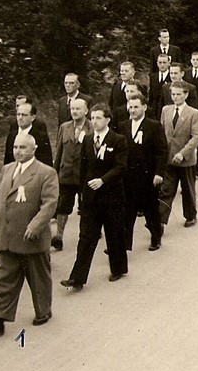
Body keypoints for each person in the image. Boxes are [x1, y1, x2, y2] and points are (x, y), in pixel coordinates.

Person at [0, 133, 59, 334]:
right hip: (8, 235)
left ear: (33, 149)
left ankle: (43, 311)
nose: (18, 151)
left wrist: (35, 226)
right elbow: (0, 201)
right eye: (15, 147)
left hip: (31, 237)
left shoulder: (45, 172)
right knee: (5, 279)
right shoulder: (7, 169)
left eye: (23, 147)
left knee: (38, 277)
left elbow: (49, 203)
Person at [61, 104, 130, 288]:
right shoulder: (88, 140)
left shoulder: (118, 140)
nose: (95, 121)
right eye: (92, 118)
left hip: (112, 196)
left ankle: (118, 269)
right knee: (86, 237)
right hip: (92, 197)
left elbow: (121, 167)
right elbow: (84, 169)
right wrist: (82, 194)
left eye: (98, 118)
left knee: (114, 234)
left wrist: (103, 180)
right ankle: (77, 277)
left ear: (107, 119)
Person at [122, 93, 168, 251]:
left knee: (150, 209)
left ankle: (156, 237)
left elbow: (162, 151)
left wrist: (159, 173)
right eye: (130, 107)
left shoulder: (154, 126)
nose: (133, 110)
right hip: (129, 176)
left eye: (136, 107)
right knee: (128, 210)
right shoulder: (123, 126)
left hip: (148, 175)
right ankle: (124, 244)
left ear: (144, 107)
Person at [158, 82, 198, 227]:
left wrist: (183, 153)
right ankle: (160, 221)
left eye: (178, 94)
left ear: (186, 95)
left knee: (187, 189)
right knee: (166, 189)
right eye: (173, 94)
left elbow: (195, 137)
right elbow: (161, 132)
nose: (175, 97)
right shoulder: (166, 110)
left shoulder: (193, 113)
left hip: (185, 159)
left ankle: (190, 215)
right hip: (169, 157)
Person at [52, 97, 91, 251]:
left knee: (87, 206)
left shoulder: (92, 127)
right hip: (66, 173)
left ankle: (87, 234)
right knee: (63, 206)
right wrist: (55, 172)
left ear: (86, 111)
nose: (74, 112)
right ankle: (58, 236)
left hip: (84, 175)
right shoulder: (64, 127)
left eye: (78, 109)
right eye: (73, 109)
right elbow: (59, 151)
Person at [4, 99, 53, 166]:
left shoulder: (40, 137)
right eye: (18, 114)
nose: (20, 118)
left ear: (32, 117)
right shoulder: (12, 135)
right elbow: (7, 161)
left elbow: (46, 162)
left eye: (24, 115)